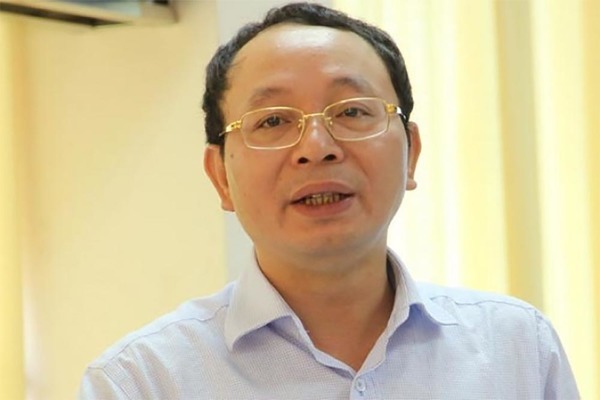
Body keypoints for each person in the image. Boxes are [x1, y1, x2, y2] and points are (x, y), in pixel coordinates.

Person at [79, 2, 579, 399]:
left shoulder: (517, 347)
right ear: (221, 177)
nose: (317, 148)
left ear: (411, 153)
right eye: (273, 121)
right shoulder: (142, 382)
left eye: (352, 112)